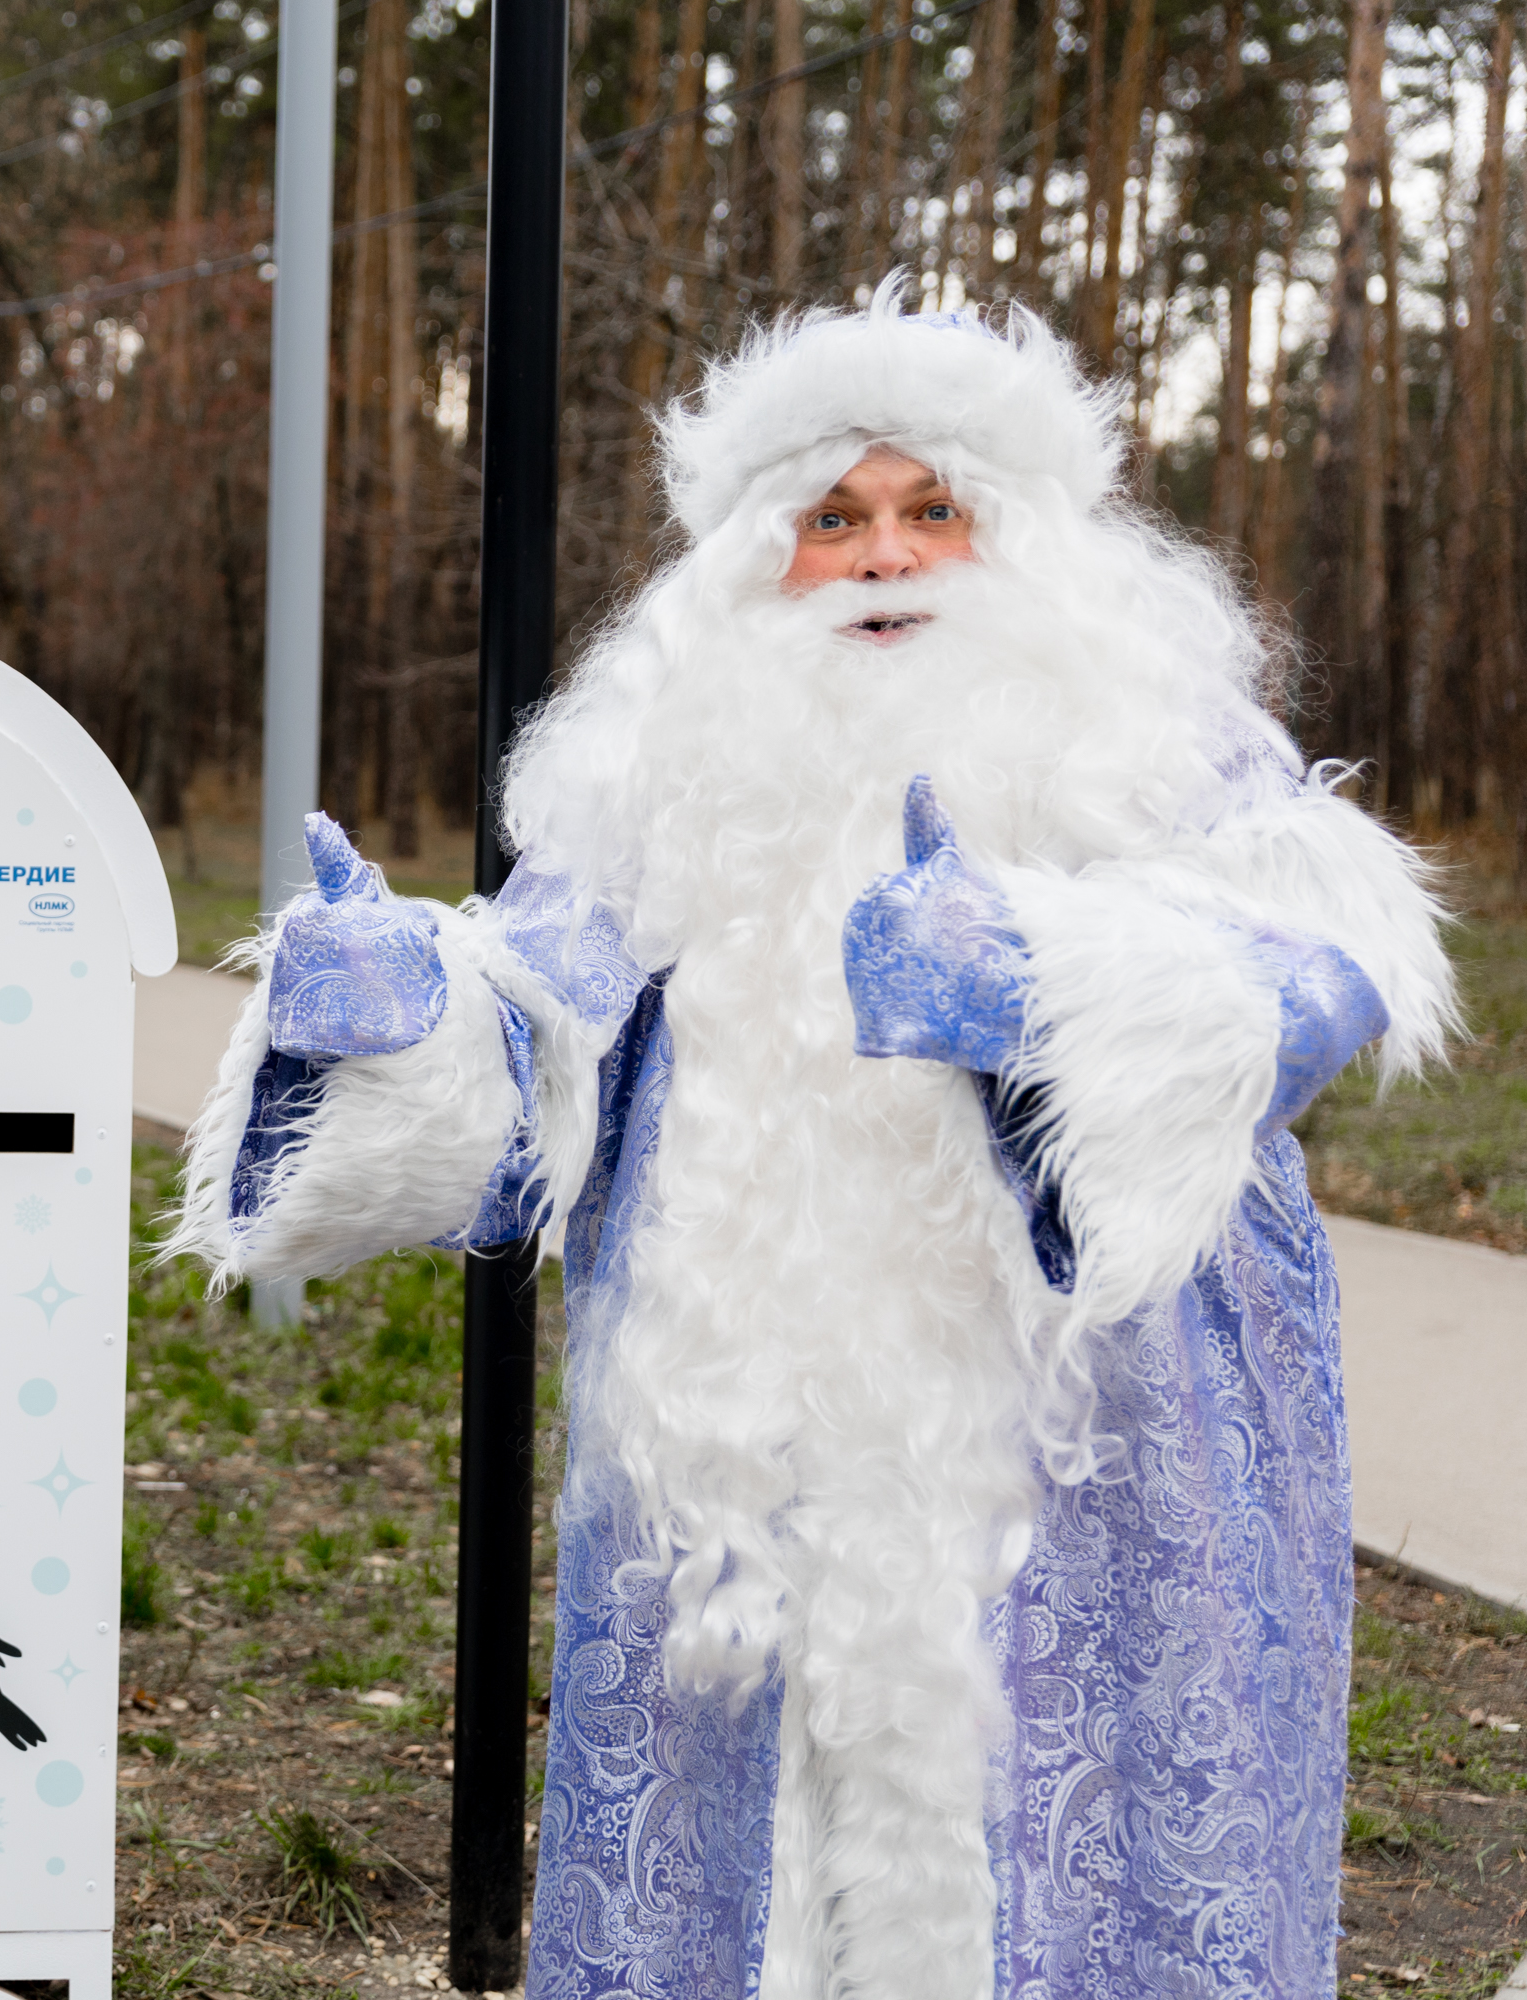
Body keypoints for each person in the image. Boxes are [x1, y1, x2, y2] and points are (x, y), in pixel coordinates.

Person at [168, 293, 1454, 1997]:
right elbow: (536, 1058)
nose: (884, 557)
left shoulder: (1166, 752)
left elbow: (1320, 977)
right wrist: (391, 1000)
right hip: (741, 1493)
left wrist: (1047, 999)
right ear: (754, 558)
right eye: (833, 519)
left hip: (1099, 1480)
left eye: (935, 511)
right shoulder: (658, 787)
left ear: (1030, 543)